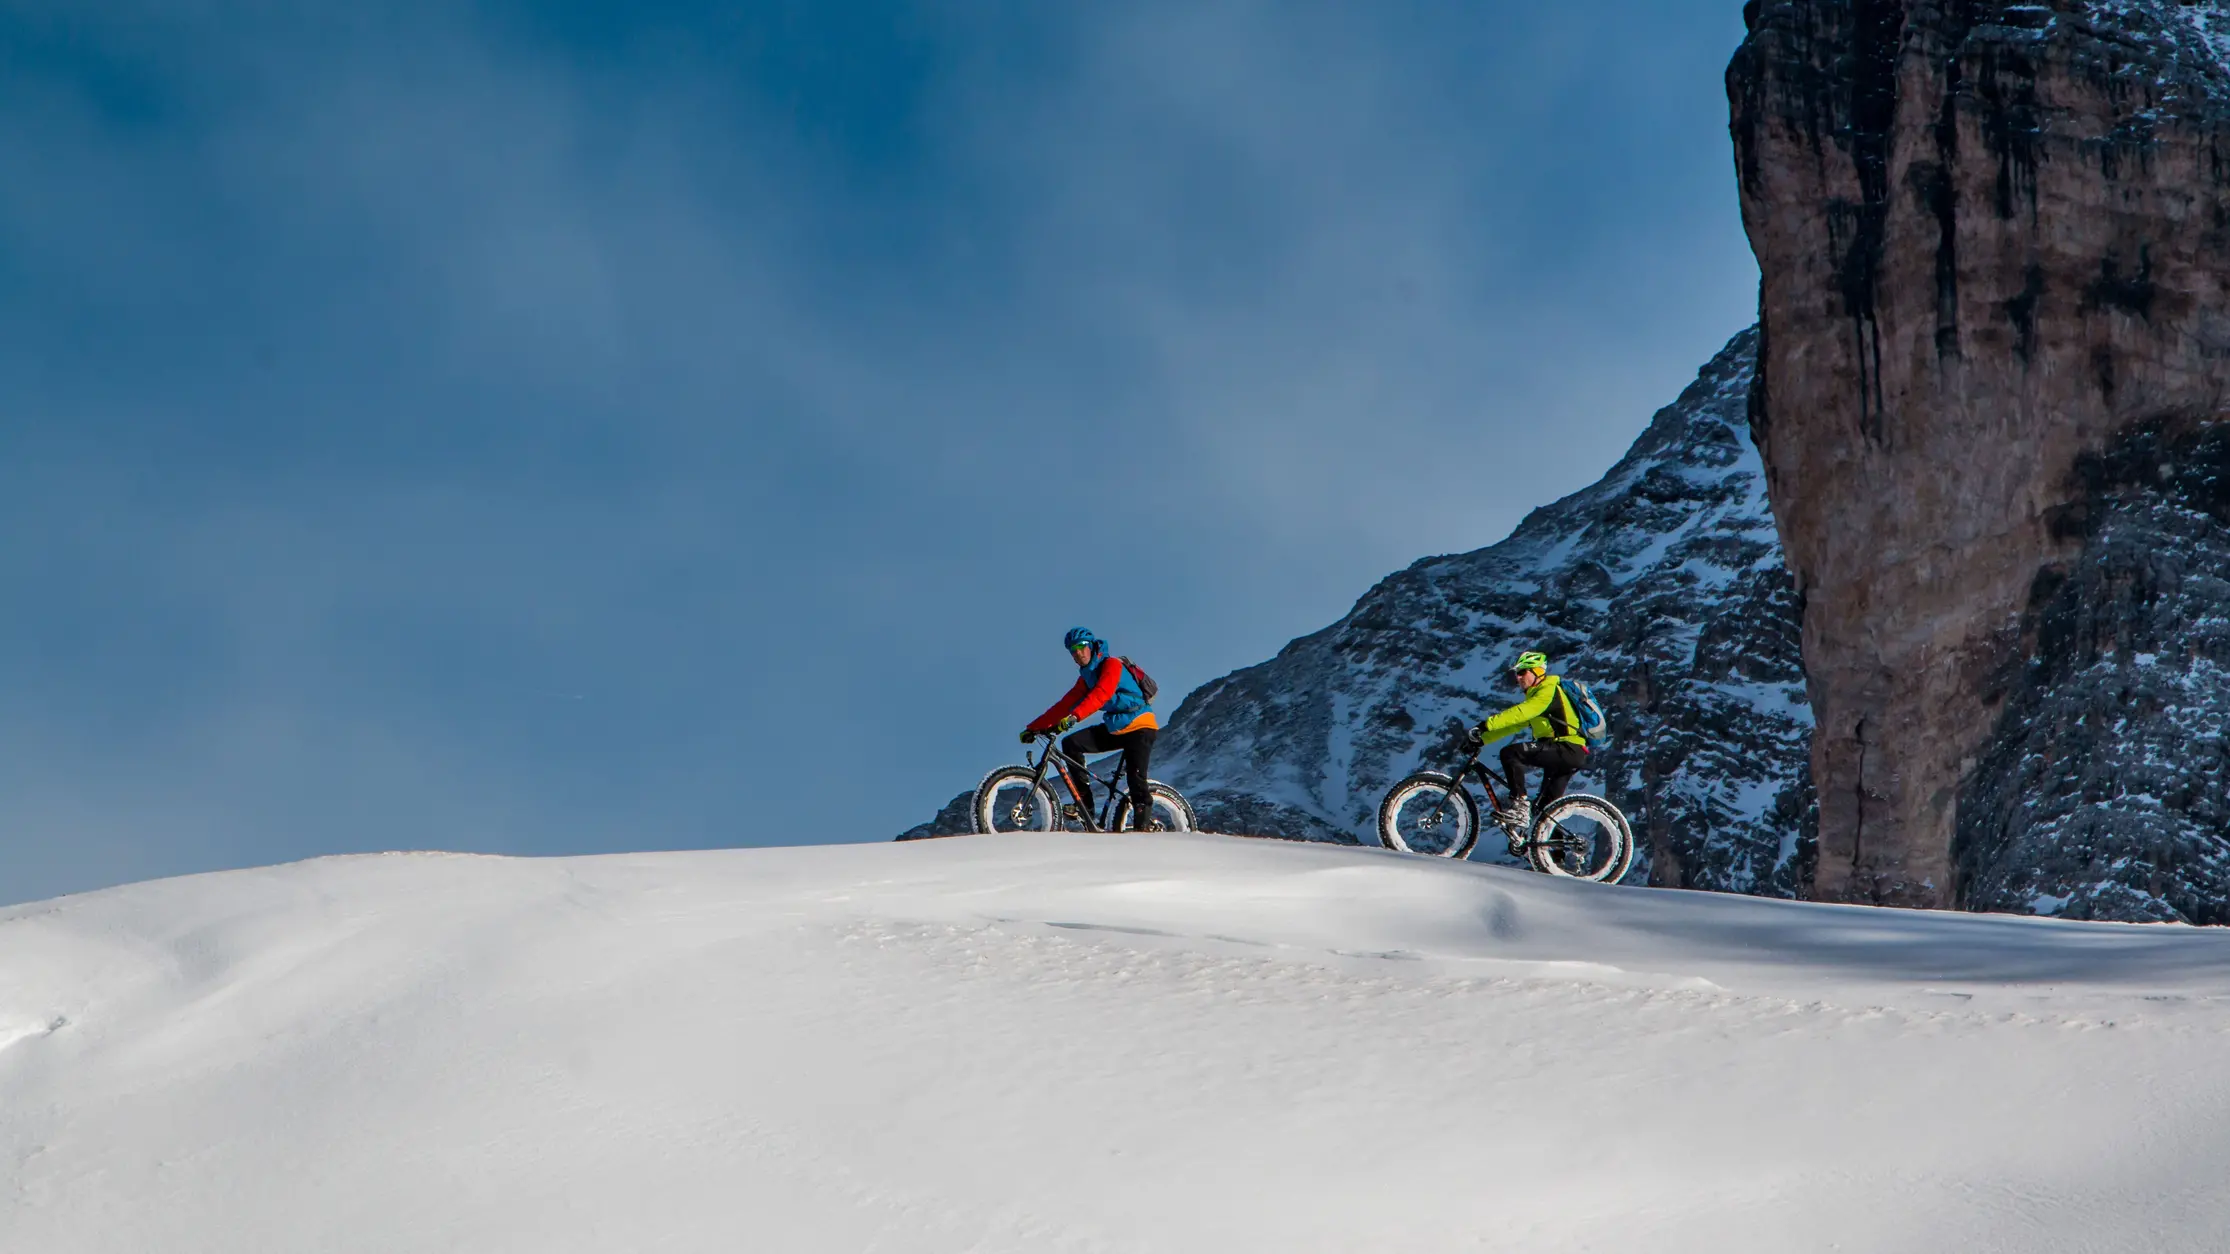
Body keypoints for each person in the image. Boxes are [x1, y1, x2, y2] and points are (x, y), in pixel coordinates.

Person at [1021, 627, 1160, 829]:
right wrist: (1034, 728)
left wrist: (1075, 717)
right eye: (1072, 650)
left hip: (1140, 727)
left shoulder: (1112, 665)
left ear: (1092, 646)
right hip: (1117, 728)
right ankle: (1085, 807)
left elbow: (1101, 694)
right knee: (1071, 744)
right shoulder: (1087, 678)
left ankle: (1143, 830)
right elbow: (1064, 704)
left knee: (1136, 780)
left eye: (1081, 647)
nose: (1077, 653)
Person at [1469, 650, 1591, 834]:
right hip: (1566, 752)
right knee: (1546, 812)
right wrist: (1482, 739)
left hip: (1566, 747)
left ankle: (1519, 806)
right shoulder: (1538, 697)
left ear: (1537, 672)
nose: (1518, 678)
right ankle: (1555, 857)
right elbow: (1515, 725)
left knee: (1510, 753)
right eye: (1516, 673)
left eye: (1522, 672)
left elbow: (1522, 712)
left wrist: (1485, 725)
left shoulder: (1548, 690)